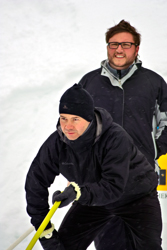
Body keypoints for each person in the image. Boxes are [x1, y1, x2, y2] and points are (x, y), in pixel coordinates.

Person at [25, 83, 162, 250]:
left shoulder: (115, 138)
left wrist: (78, 193)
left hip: (137, 198)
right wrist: (44, 229)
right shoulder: (56, 143)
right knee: (62, 247)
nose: (68, 126)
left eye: (75, 119)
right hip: (94, 201)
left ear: (89, 118)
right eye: (63, 118)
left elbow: (113, 187)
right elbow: (35, 182)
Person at [78, 20, 167, 249]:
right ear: (107, 47)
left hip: (142, 183)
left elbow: (166, 123)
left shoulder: (153, 82)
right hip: (102, 183)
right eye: (113, 44)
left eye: (126, 44)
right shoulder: (89, 83)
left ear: (136, 49)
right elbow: (73, 126)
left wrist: (161, 155)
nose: (119, 49)